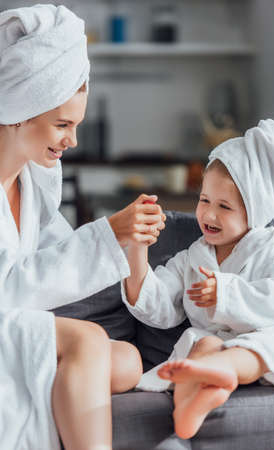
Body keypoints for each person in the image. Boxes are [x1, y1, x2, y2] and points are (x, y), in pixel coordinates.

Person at [0, 4, 165, 450]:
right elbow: (9, 290)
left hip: (12, 326)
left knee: (127, 360)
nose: (72, 140)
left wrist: (128, 243)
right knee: (89, 339)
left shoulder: (34, 181)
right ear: (20, 110)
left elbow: (58, 257)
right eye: (62, 124)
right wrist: (109, 235)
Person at [121, 119, 274, 440]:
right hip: (215, 346)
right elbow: (157, 306)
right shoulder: (194, 256)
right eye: (204, 200)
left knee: (255, 348)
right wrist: (137, 249)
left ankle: (222, 371)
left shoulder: (270, 248)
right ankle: (191, 410)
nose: (209, 215)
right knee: (201, 344)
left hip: (265, 344)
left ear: (254, 211)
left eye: (224, 206)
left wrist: (228, 296)